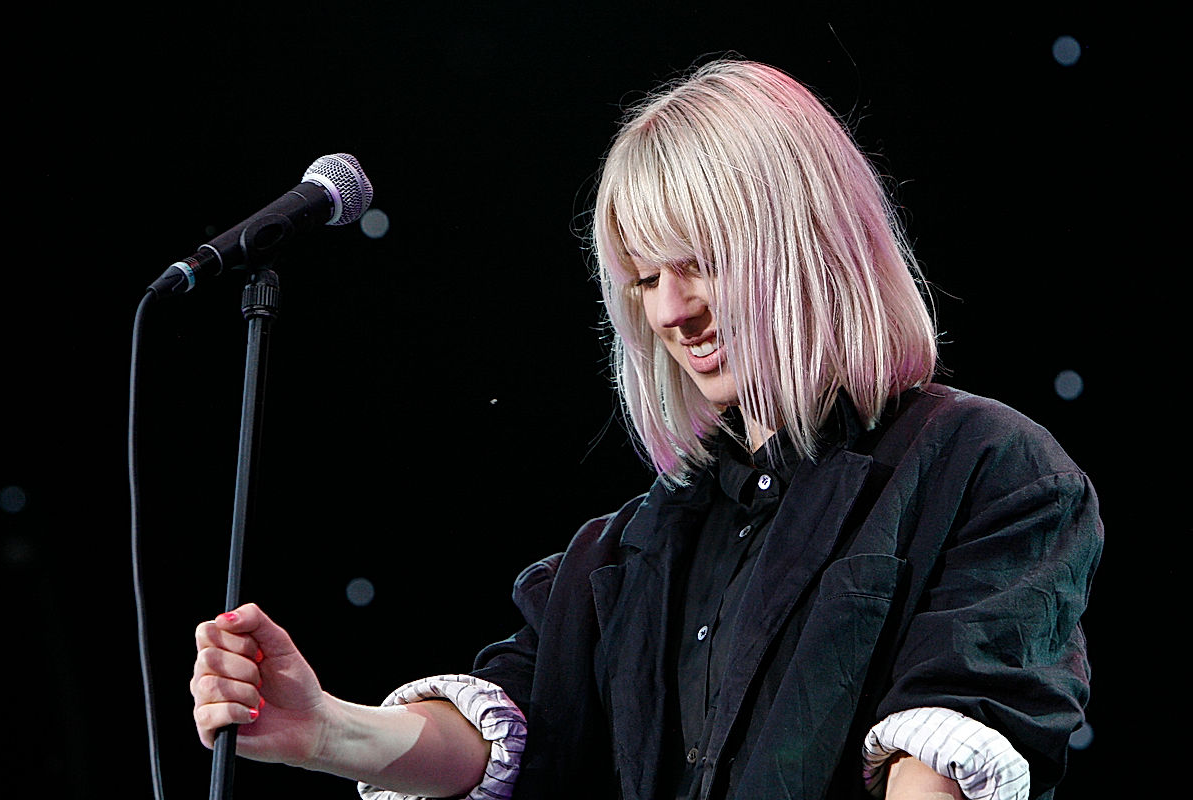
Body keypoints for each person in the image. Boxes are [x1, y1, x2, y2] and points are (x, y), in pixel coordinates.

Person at [191, 59, 1102, 800]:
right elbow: (515, 722)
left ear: (803, 240)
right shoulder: (629, 548)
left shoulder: (986, 468)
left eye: (699, 263)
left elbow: (952, 736)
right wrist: (325, 730)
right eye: (643, 279)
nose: (672, 311)